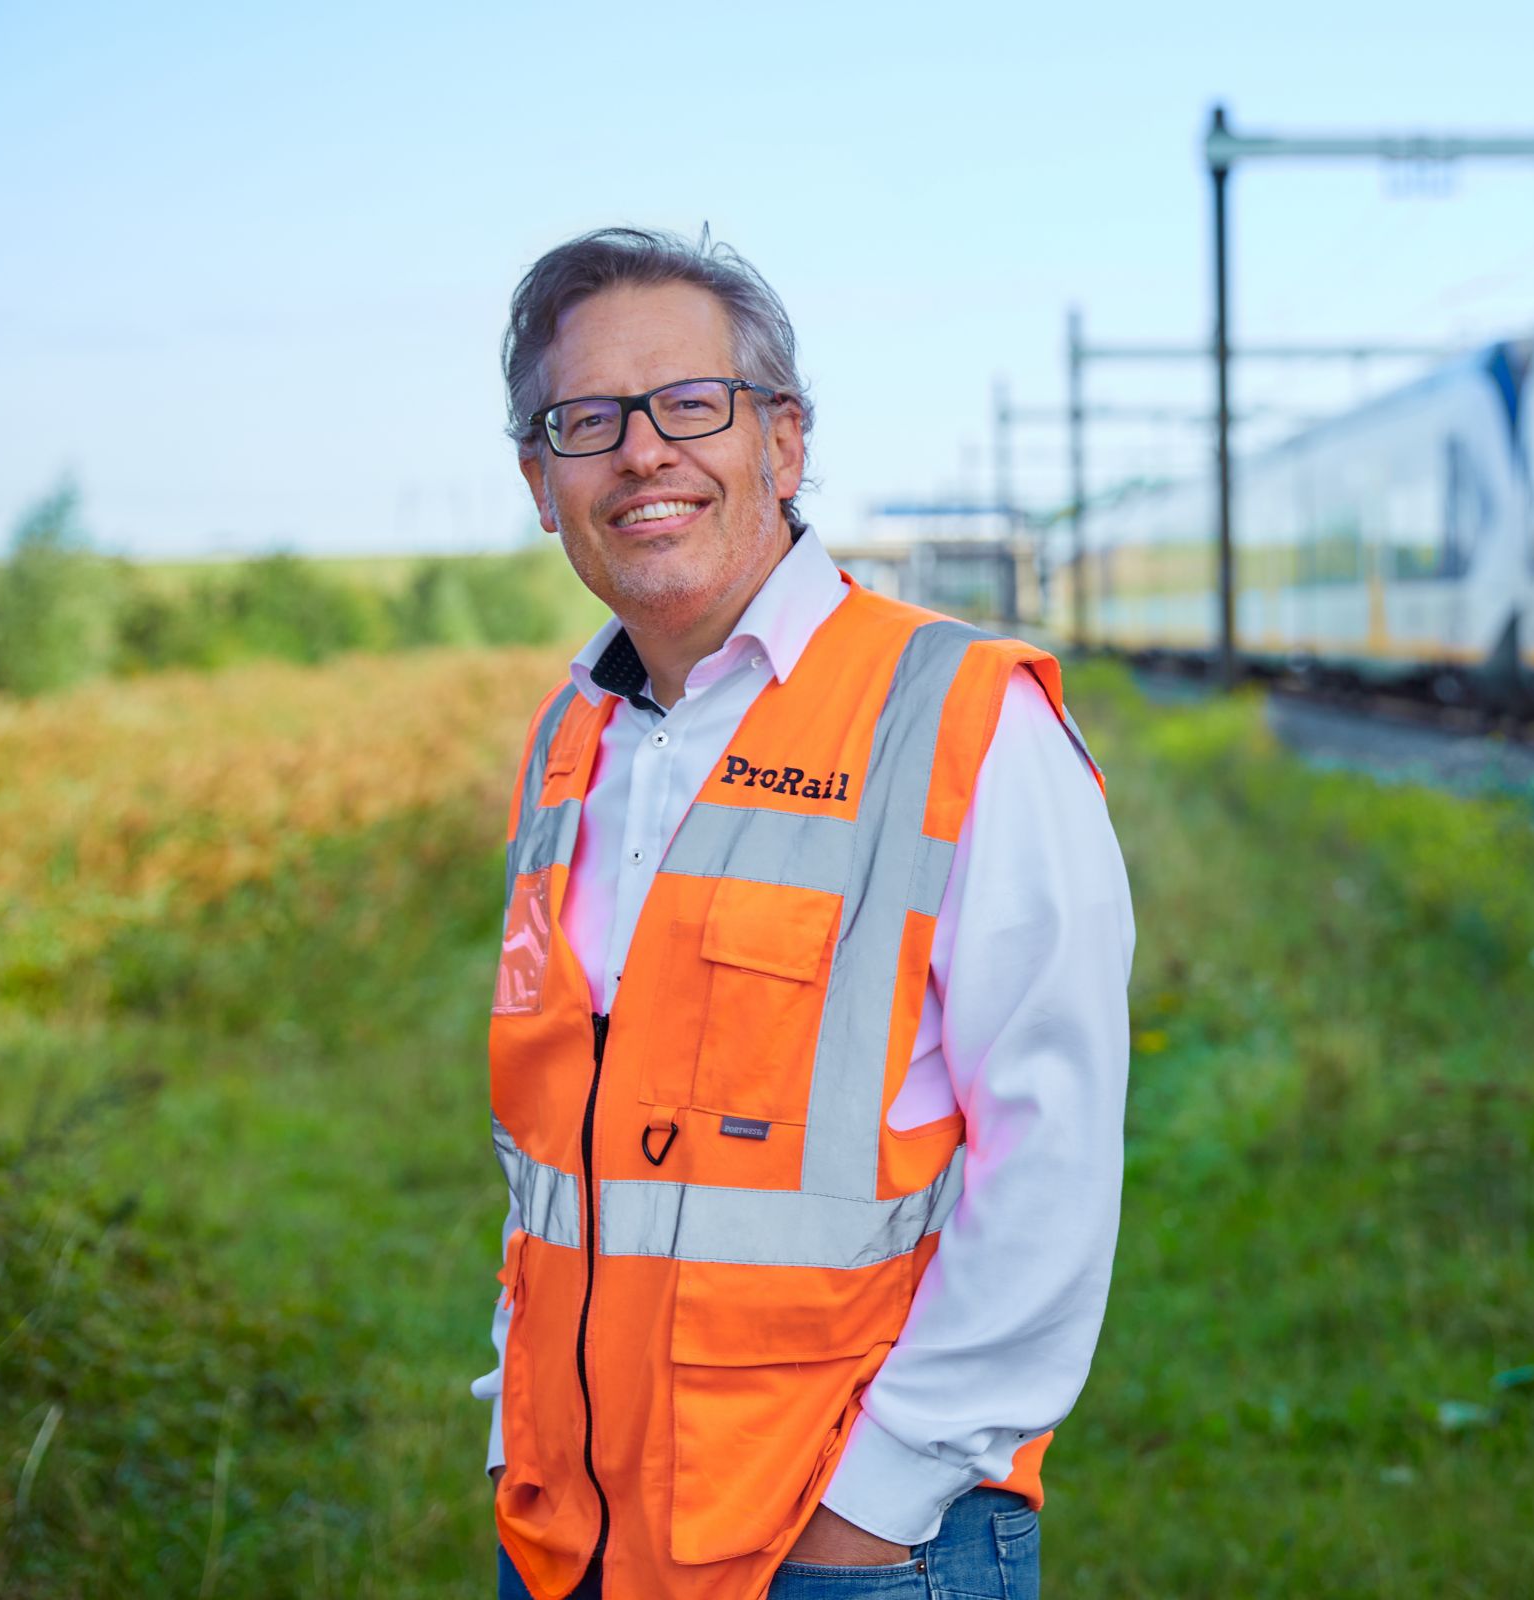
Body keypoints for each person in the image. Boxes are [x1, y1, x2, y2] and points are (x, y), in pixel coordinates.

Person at [470, 226, 1133, 1600]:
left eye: (690, 406)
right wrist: (513, 1426)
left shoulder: (961, 720)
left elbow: (1052, 1162)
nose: (643, 453)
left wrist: (877, 1506)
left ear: (785, 441)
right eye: (586, 422)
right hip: (566, 1536)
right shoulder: (572, 740)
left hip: (845, 1546)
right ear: (542, 483)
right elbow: (557, 1141)